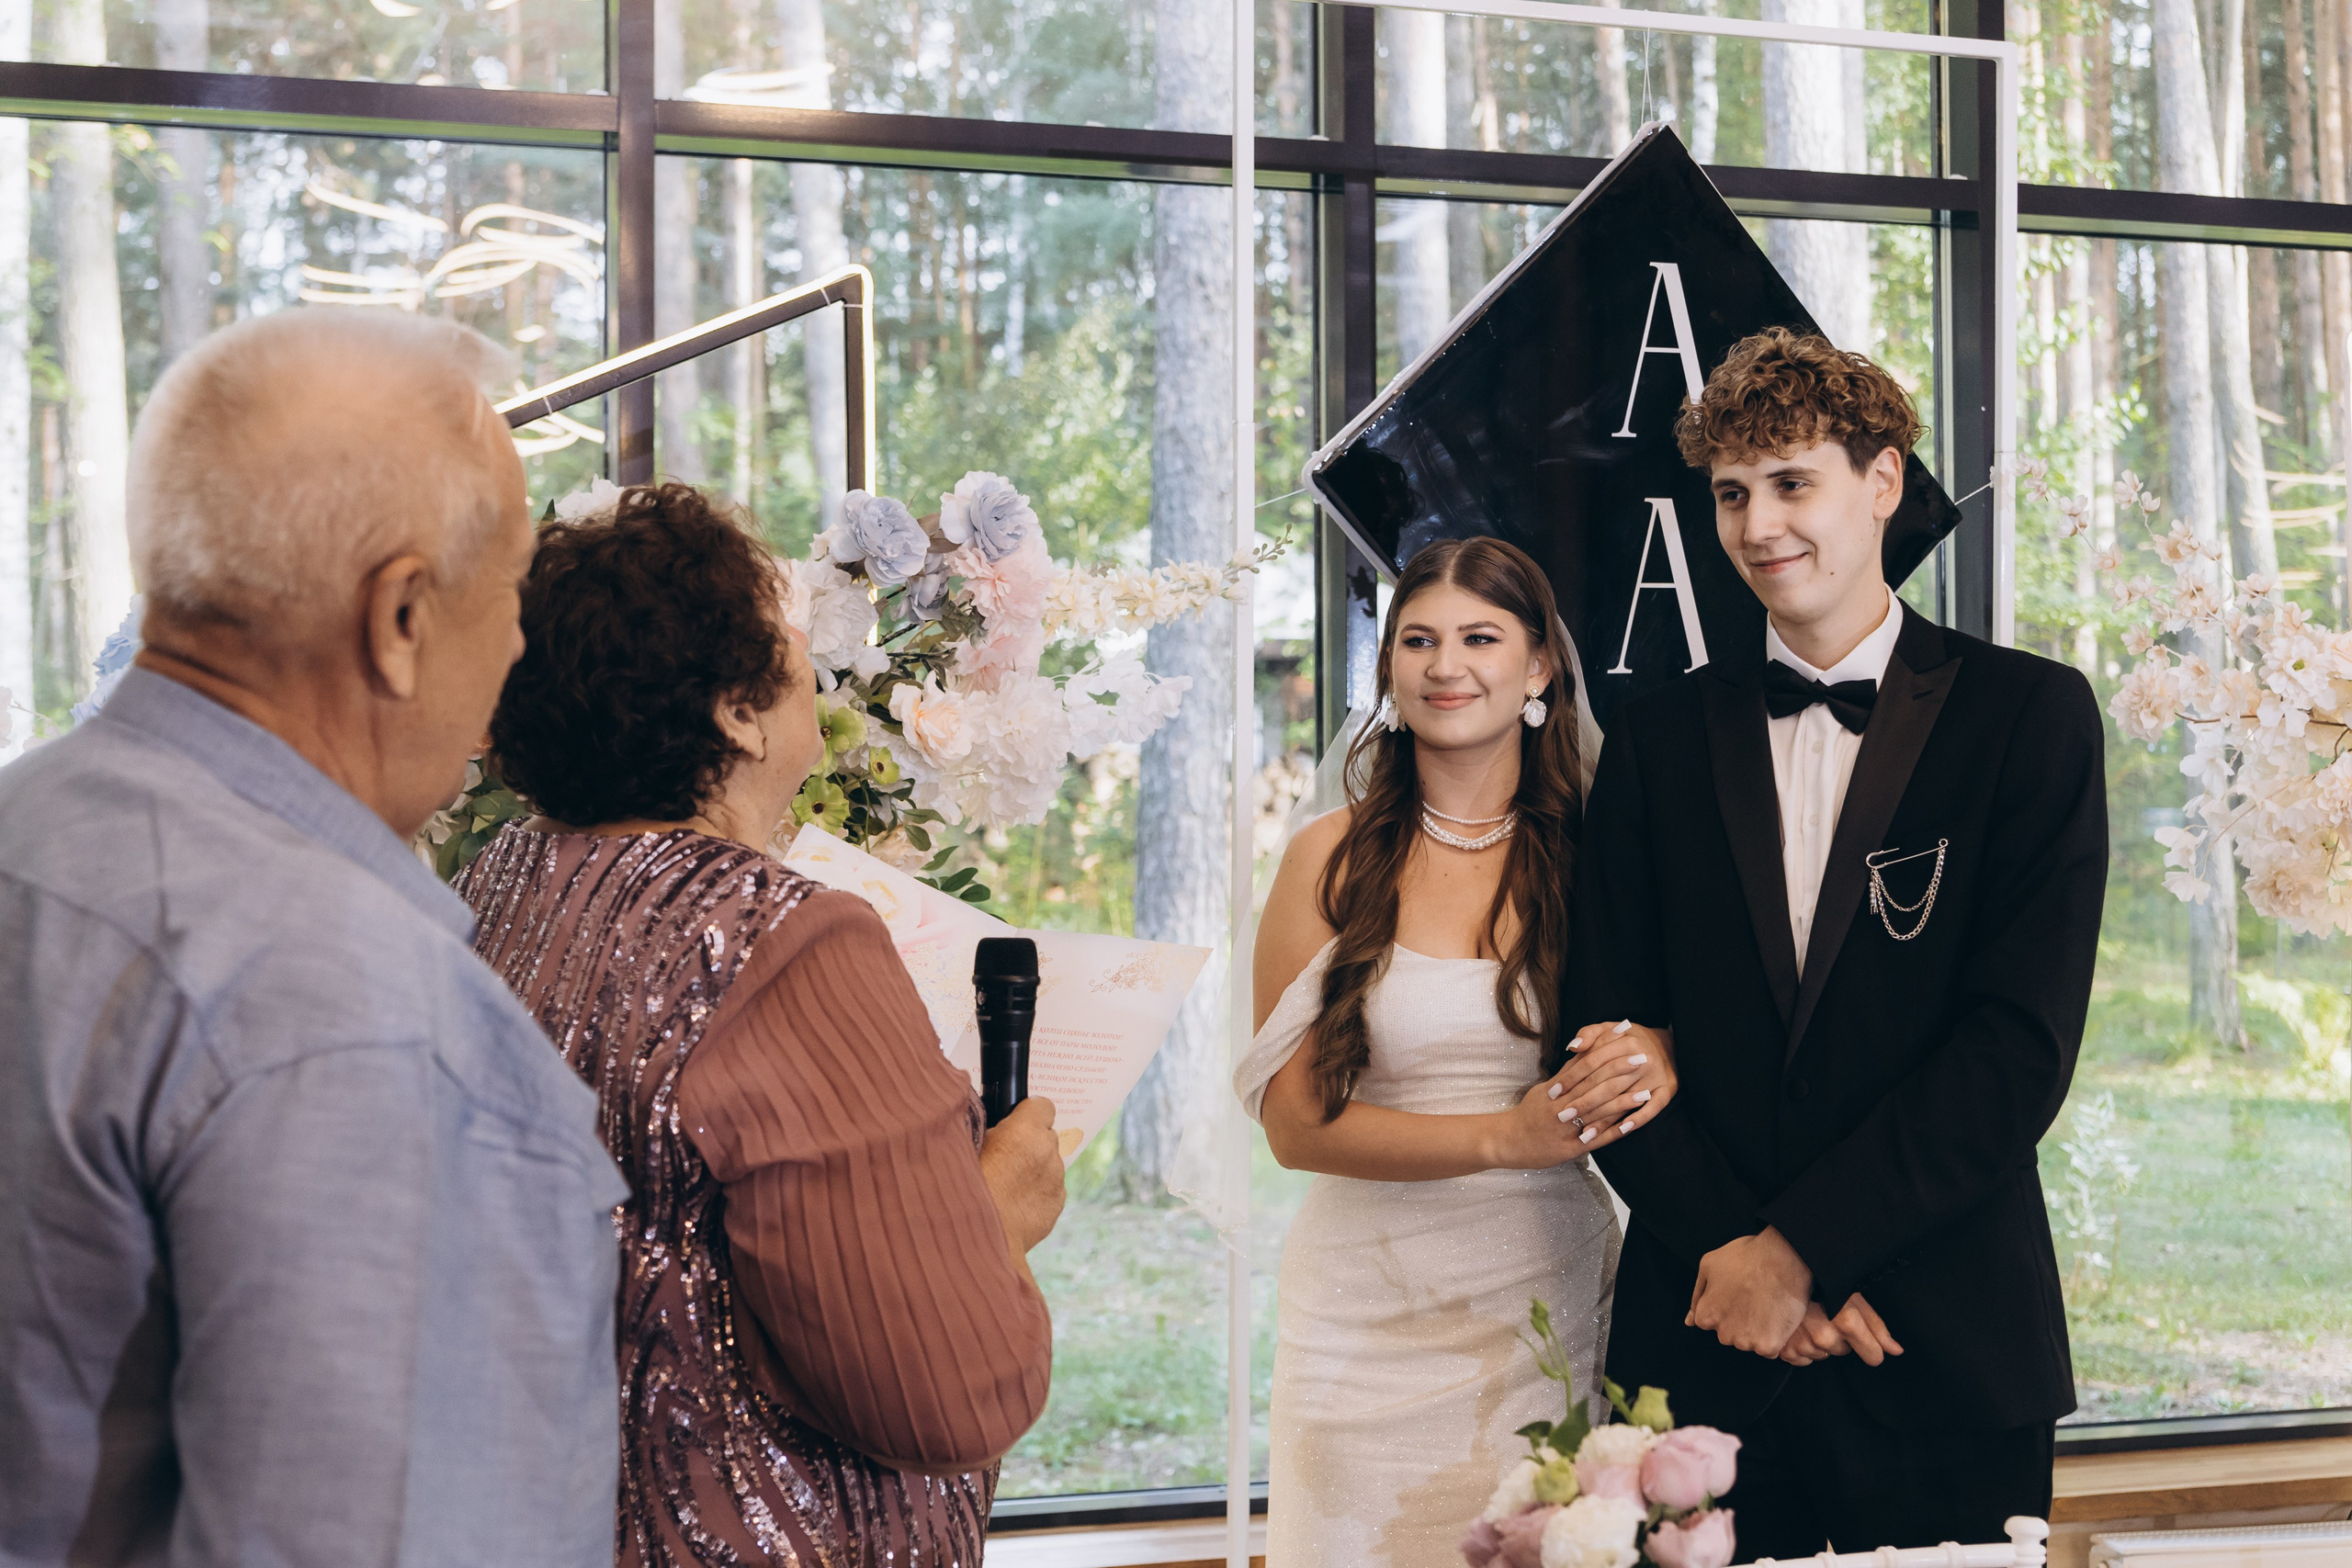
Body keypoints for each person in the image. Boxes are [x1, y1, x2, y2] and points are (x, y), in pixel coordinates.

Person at [0, 311, 627, 1566]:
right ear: (400, 616)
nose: (514, 642)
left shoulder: (30, 831)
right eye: (511, 589)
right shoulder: (367, 1015)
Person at [453, 481, 1066, 1568]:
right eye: (792, 650)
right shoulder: (779, 940)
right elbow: (941, 1389)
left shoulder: (499, 887)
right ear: (736, 709)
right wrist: (997, 1217)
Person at [1572, 328, 2106, 1554]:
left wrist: (1805, 1253)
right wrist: (1738, 1255)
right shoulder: (1652, 740)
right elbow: (1598, 1028)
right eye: (1731, 494)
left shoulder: (2030, 716)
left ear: (1883, 481)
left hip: (1942, 1336)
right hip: (1702, 1346)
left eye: (1793, 482)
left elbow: (2017, 1047)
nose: (1760, 525)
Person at [1239, 536, 1677, 1568]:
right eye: (1418, 640)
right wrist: (1504, 1136)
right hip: (1358, 1320)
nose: (1446, 666)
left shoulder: (1598, 857)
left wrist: (1657, 1047)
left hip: (1547, 1299)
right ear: (1387, 668)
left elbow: (1682, 1027)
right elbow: (1295, 1128)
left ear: (1536, 669)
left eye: (1480, 638)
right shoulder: (1325, 860)